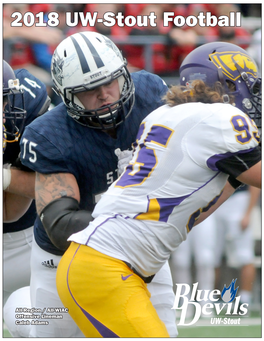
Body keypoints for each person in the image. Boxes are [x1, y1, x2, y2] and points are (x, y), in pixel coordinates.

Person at [55, 41, 261, 337]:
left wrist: (236, 175)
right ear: (226, 83)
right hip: (106, 269)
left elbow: (194, 211)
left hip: (101, 263)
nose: (253, 96)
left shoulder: (165, 115)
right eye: (246, 85)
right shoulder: (221, 119)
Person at [10, 31, 177, 337]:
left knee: (160, 333)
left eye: (109, 82)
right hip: (63, 257)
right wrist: (136, 218)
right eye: (89, 90)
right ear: (67, 94)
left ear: (124, 74)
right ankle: (20, 311)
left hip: (138, 249)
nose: (104, 95)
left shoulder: (151, 94)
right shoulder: (50, 133)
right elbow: (61, 224)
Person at [3, 61, 50, 335]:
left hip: (29, 248)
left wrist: (6, 176)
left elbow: (12, 211)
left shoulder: (26, 106)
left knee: (25, 316)